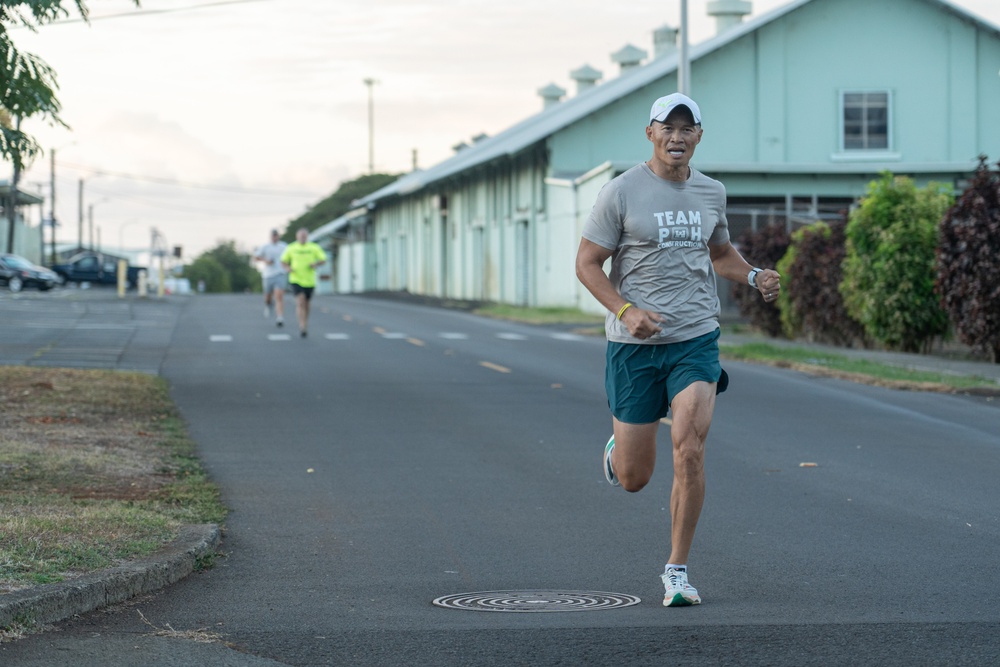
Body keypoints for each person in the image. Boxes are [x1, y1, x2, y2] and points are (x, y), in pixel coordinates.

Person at [575, 93, 781, 607]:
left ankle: (677, 571)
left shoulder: (712, 192)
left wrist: (753, 274)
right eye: (669, 127)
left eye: (688, 129)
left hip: (695, 338)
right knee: (635, 478)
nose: (677, 137)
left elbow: (719, 253)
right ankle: (618, 453)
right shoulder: (619, 192)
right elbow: (587, 263)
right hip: (634, 346)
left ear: (699, 137)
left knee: (689, 448)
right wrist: (626, 311)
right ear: (650, 132)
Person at [280, 228, 327, 338]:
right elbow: (283, 261)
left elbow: (323, 259)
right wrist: (288, 268)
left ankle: (305, 322)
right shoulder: (291, 247)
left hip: (309, 280)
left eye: (304, 236)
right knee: (300, 301)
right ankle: (302, 326)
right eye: (301, 236)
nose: (302, 238)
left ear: (307, 237)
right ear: (297, 237)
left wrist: (316, 264)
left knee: (307, 303)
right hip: (296, 279)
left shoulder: (313, 247)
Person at [254, 229, 289, 327]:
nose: (274, 237)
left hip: (280, 273)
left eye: (276, 236)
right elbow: (256, 257)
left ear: (278, 236)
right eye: (273, 236)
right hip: (268, 274)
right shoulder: (265, 247)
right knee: (268, 296)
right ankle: (268, 304)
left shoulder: (284, 246)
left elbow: (290, 257)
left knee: (279, 295)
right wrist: (266, 260)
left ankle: (280, 317)